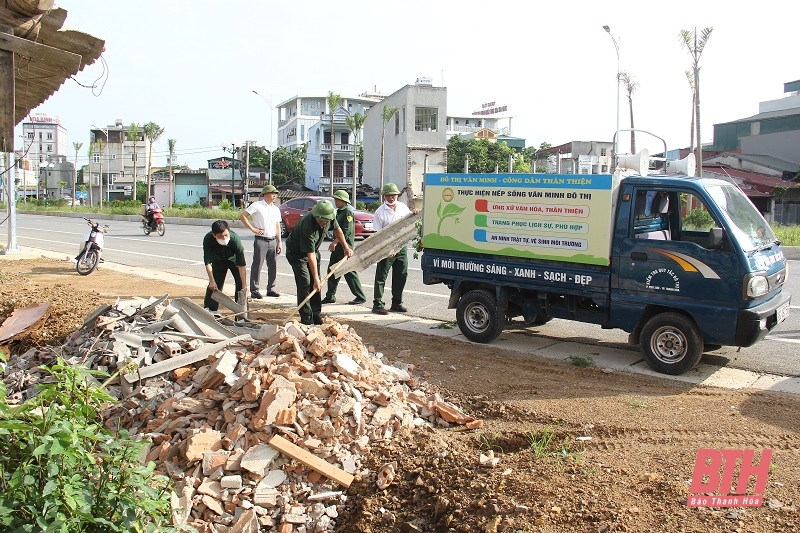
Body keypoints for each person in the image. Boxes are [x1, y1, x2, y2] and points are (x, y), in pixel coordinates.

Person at [285, 200, 353, 325]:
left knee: (317, 285)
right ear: (316, 216)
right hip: (297, 254)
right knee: (306, 283)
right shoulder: (308, 224)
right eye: (321, 221)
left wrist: (345, 247)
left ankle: (316, 315)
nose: (323, 223)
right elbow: (309, 254)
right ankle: (306, 319)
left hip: (313, 251)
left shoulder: (330, 216)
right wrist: (315, 278)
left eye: (326, 221)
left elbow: (338, 230)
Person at [372, 183, 420, 315]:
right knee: (381, 276)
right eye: (388, 195)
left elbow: (410, 219)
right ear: (384, 196)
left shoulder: (402, 207)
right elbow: (377, 235)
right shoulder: (380, 212)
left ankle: (397, 303)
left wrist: (415, 212)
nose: (391, 197)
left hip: (401, 246)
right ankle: (377, 304)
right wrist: (387, 250)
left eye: (393, 195)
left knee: (401, 275)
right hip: (387, 248)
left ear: (397, 195)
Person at [321, 190, 367, 305]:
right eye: (335, 199)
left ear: (344, 201)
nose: (336, 202)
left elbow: (346, 232)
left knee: (349, 272)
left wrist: (335, 242)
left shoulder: (348, 213)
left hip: (345, 248)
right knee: (332, 270)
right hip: (337, 248)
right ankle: (330, 295)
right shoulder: (338, 212)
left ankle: (360, 296)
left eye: (338, 200)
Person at [239, 185, 282, 299]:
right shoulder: (257, 206)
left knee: (273, 265)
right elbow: (243, 216)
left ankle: (271, 288)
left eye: (275, 194)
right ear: (265, 194)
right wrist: (253, 229)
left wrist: (279, 242)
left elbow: (277, 226)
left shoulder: (276, 209)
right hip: (261, 240)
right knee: (257, 265)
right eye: (272, 193)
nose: (274, 196)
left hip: (273, 240)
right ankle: (255, 289)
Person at [202, 220, 247, 312]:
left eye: (226, 235)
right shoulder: (208, 239)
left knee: (241, 288)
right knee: (214, 286)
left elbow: (242, 265)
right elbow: (207, 262)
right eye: (221, 237)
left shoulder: (235, 239)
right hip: (218, 261)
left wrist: (244, 285)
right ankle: (210, 311)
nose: (224, 238)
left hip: (234, 261)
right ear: (214, 235)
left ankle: (241, 314)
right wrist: (211, 281)